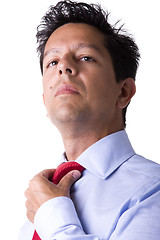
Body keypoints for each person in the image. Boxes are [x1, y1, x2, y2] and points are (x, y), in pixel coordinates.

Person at [19, 0, 160, 239]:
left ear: (124, 91)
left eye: (85, 57)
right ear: (45, 99)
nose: (63, 67)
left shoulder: (152, 191)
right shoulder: (37, 206)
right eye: (52, 62)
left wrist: (53, 216)